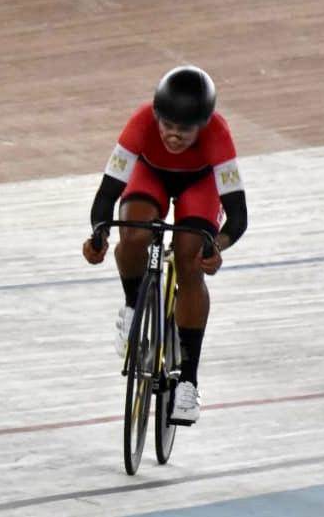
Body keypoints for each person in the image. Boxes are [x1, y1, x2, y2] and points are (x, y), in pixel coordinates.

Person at [82, 66, 248, 423]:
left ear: (202, 125)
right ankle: (133, 307)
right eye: (167, 125)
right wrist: (99, 234)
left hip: (199, 186)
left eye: (184, 130)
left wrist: (216, 246)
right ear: (157, 116)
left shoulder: (218, 134)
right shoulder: (141, 122)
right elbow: (107, 194)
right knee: (133, 234)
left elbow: (238, 216)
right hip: (150, 175)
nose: (173, 135)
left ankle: (188, 380)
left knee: (190, 261)